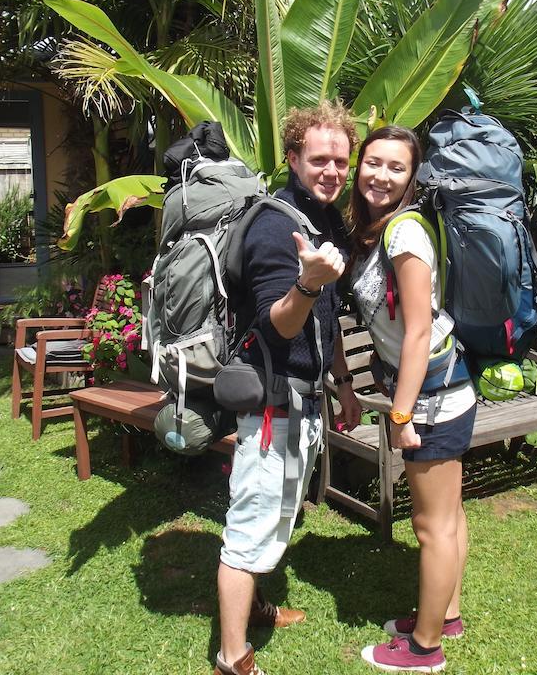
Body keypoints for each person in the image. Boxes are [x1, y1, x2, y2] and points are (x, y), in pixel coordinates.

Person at [214, 101, 363, 675]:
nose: (331, 171)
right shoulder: (278, 226)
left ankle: (255, 609)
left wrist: (345, 383)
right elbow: (280, 323)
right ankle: (233, 657)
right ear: (294, 157)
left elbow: (328, 318)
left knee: (275, 516)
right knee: (248, 526)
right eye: (320, 159)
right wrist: (307, 281)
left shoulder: (322, 220)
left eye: (340, 161)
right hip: (270, 404)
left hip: (307, 396)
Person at [348, 126, 476, 673]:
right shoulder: (380, 230)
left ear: (411, 177)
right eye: (373, 163)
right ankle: (444, 614)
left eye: (395, 168)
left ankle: (425, 648)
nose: (380, 175)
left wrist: (402, 414)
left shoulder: (404, 235)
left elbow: (419, 332)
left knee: (432, 526)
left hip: (433, 395)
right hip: (440, 389)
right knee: (446, 516)